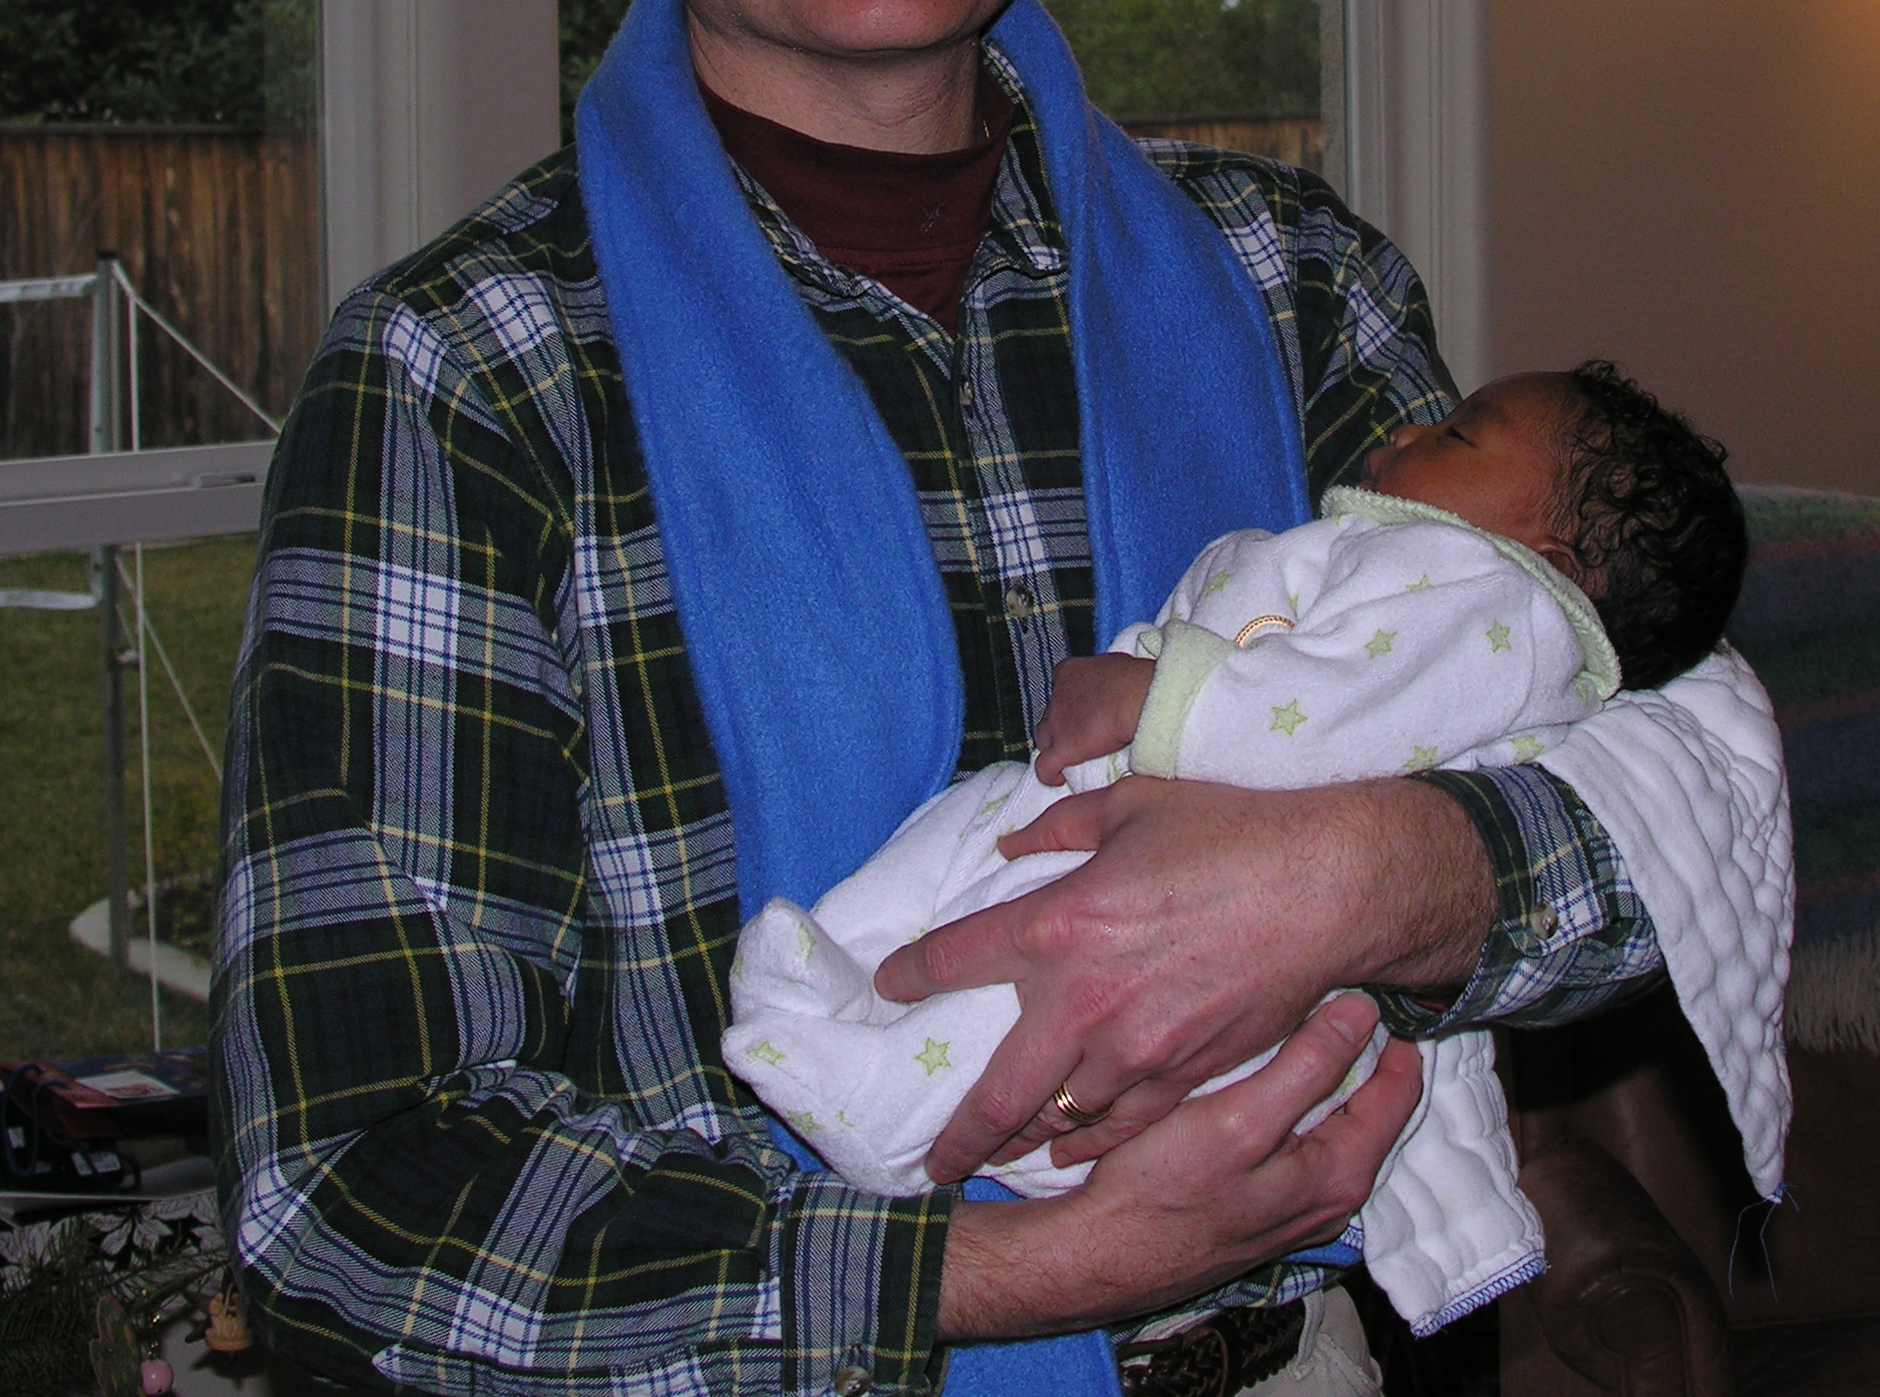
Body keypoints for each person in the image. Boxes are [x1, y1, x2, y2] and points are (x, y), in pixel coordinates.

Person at [217, 0, 1708, 1395]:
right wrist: (1002, 1269)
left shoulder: (1295, 288)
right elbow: (351, 1187)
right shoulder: (464, 378)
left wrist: (1371, 875)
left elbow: (1676, 804)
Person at [723, 366, 1759, 1340]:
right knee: (976, 840)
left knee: (1041, 966)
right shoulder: (1422, 562)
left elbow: (1330, 717)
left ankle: (877, 1108)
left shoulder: (1495, 599)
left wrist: (1163, 700)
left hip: (1196, 879)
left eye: (1455, 436)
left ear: (1554, 559)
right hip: (1131, 818)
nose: (1405, 427)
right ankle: (847, 970)